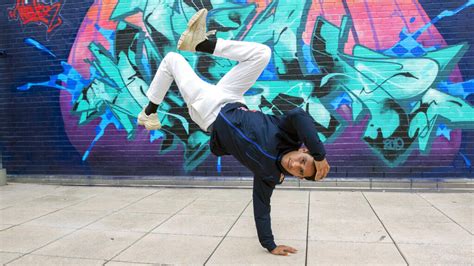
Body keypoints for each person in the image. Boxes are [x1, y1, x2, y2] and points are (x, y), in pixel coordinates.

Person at [137, 9, 330, 256]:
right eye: (302, 160)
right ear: (303, 150)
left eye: (300, 172)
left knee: (172, 60)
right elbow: (299, 116)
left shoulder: (268, 174)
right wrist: (320, 155)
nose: (295, 164)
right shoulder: (288, 134)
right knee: (262, 53)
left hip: (209, 112)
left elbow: (262, 207)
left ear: (299, 177)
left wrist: (270, 245)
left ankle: (149, 112)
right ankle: (203, 43)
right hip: (231, 98)